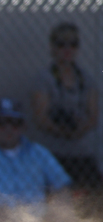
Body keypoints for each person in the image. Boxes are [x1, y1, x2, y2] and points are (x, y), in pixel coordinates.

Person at [31, 22, 100, 192]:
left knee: (92, 196)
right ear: (52, 47)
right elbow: (40, 118)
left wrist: (80, 130)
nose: (67, 49)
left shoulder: (86, 78)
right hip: (55, 152)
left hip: (82, 152)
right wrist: (64, 131)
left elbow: (94, 115)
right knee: (57, 199)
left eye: (73, 44)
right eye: (61, 44)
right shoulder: (44, 78)